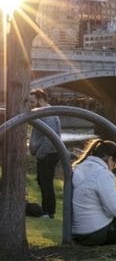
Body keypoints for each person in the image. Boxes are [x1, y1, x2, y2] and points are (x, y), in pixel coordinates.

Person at [28, 88, 62, 219]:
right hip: (48, 153)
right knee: (43, 182)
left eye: (32, 102)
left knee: (46, 182)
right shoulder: (46, 112)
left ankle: (49, 212)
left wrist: (39, 154)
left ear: (40, 100)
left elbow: (50, 139)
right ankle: (46, 210)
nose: (30, 105)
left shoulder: (47, 114)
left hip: (48, 154)